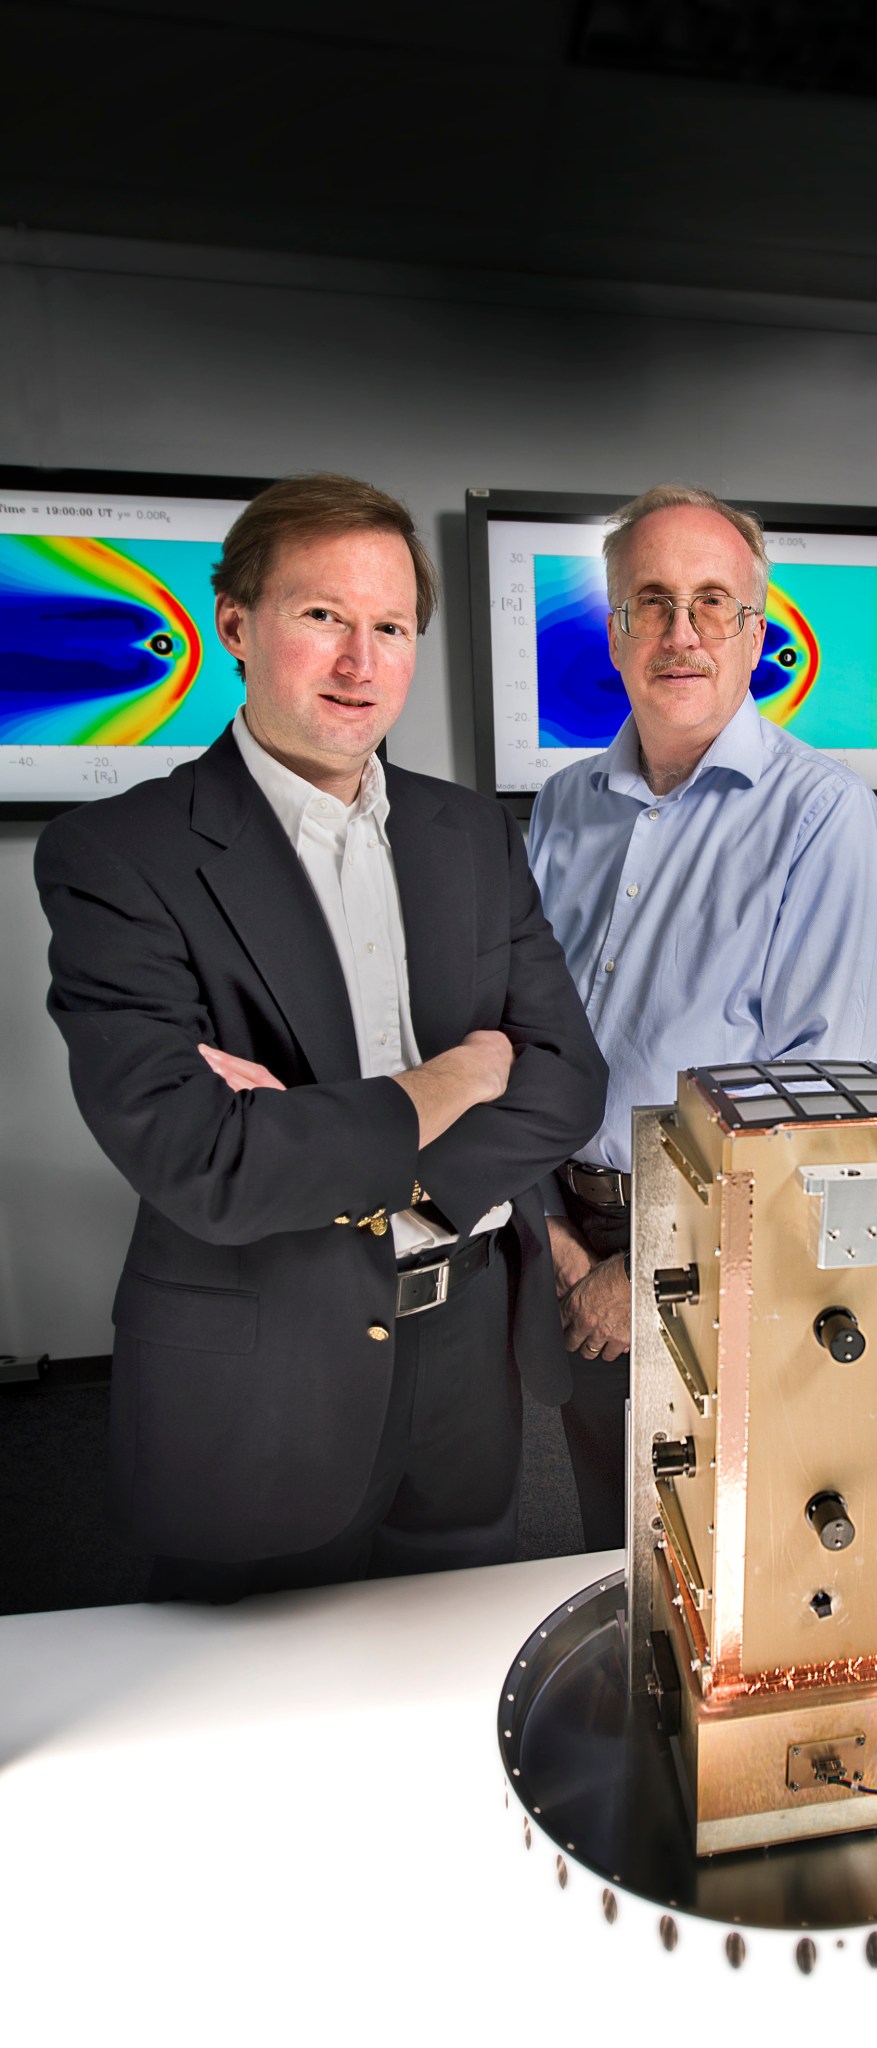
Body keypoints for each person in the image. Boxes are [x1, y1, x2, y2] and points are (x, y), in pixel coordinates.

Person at [36, 473, 606, 1600]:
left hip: (465, 1354)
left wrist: (391, 1175)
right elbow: (209, 1164)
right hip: (261, 1369)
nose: (361, 661)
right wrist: (450, 1077)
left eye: (390, 626)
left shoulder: (471, 834)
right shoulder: (119, 856)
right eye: (322, 617)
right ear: (237, 625)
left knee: (449, 1674)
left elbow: (563, 1077)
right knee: (244, 1707)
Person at [529, 483, 877, 1548]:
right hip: (558, 1233)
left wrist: (638, 1266)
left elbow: (816, 1109)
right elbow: (510, 1026)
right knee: (610, 1529)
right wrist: (551, 1235)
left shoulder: (824, 817)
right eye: (649, 601)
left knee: (717, 1551)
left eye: (710, 602)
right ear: (614, 632)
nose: (679, 632)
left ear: (755, 630)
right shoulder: (562, 807)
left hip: (719, 1247)